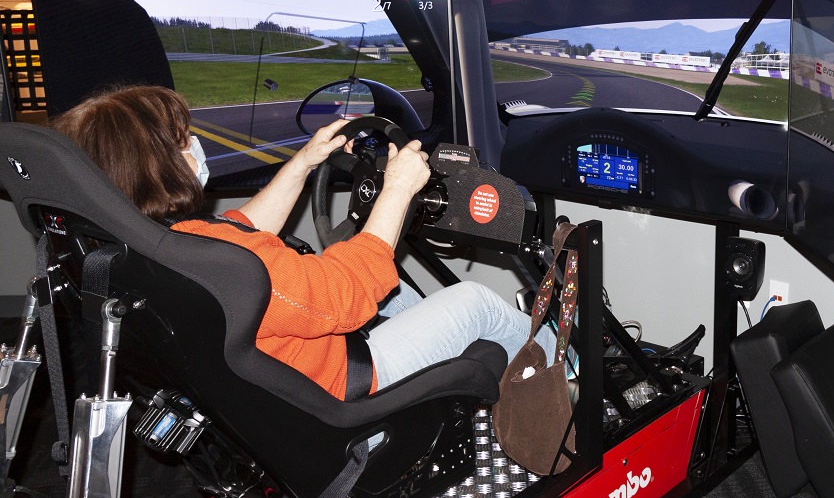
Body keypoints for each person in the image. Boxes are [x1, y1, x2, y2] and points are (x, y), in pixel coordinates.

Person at [52, 84, 551, 400]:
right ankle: (574, 369)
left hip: (283, 366)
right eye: (182, 140)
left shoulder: (154, 245)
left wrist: (304, 162)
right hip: (334, 383)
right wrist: (397, 190)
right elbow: (346, 297)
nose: (193, 145)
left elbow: (242, 229)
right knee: (475, 302)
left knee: (399, 294)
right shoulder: (228, 267)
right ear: (156, 165)